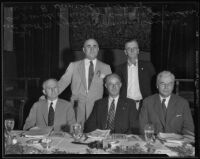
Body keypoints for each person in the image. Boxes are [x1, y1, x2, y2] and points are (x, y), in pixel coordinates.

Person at [57, 38, 112, 126]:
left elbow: (112, 89)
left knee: (94, 135)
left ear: (98, 49)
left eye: (94, 46)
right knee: (76, 136)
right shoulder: (73, 66)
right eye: (88, 46)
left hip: (96, 108)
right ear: (84, 50)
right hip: (77, 108)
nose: (92, 49)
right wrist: (49, 95)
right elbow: (62, 82)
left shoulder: (106, 67)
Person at [139, 71, 194, 136]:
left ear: (173, 86)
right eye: (163, 84)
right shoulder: (148, 102)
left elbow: (189, 130)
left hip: (177, 144)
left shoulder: (183, 103)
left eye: (169, 84)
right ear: (157, 85)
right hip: (154, 143)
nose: (166, 87)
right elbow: (143, 128)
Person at [115, 39, 156, 111]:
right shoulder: (119, 69)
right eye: (129, 48)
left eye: (134, 48)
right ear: (125, 52)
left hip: (144, 106)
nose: (132, 50)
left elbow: (155, 85)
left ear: (138, 50)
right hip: (125, 106)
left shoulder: (148, 66)